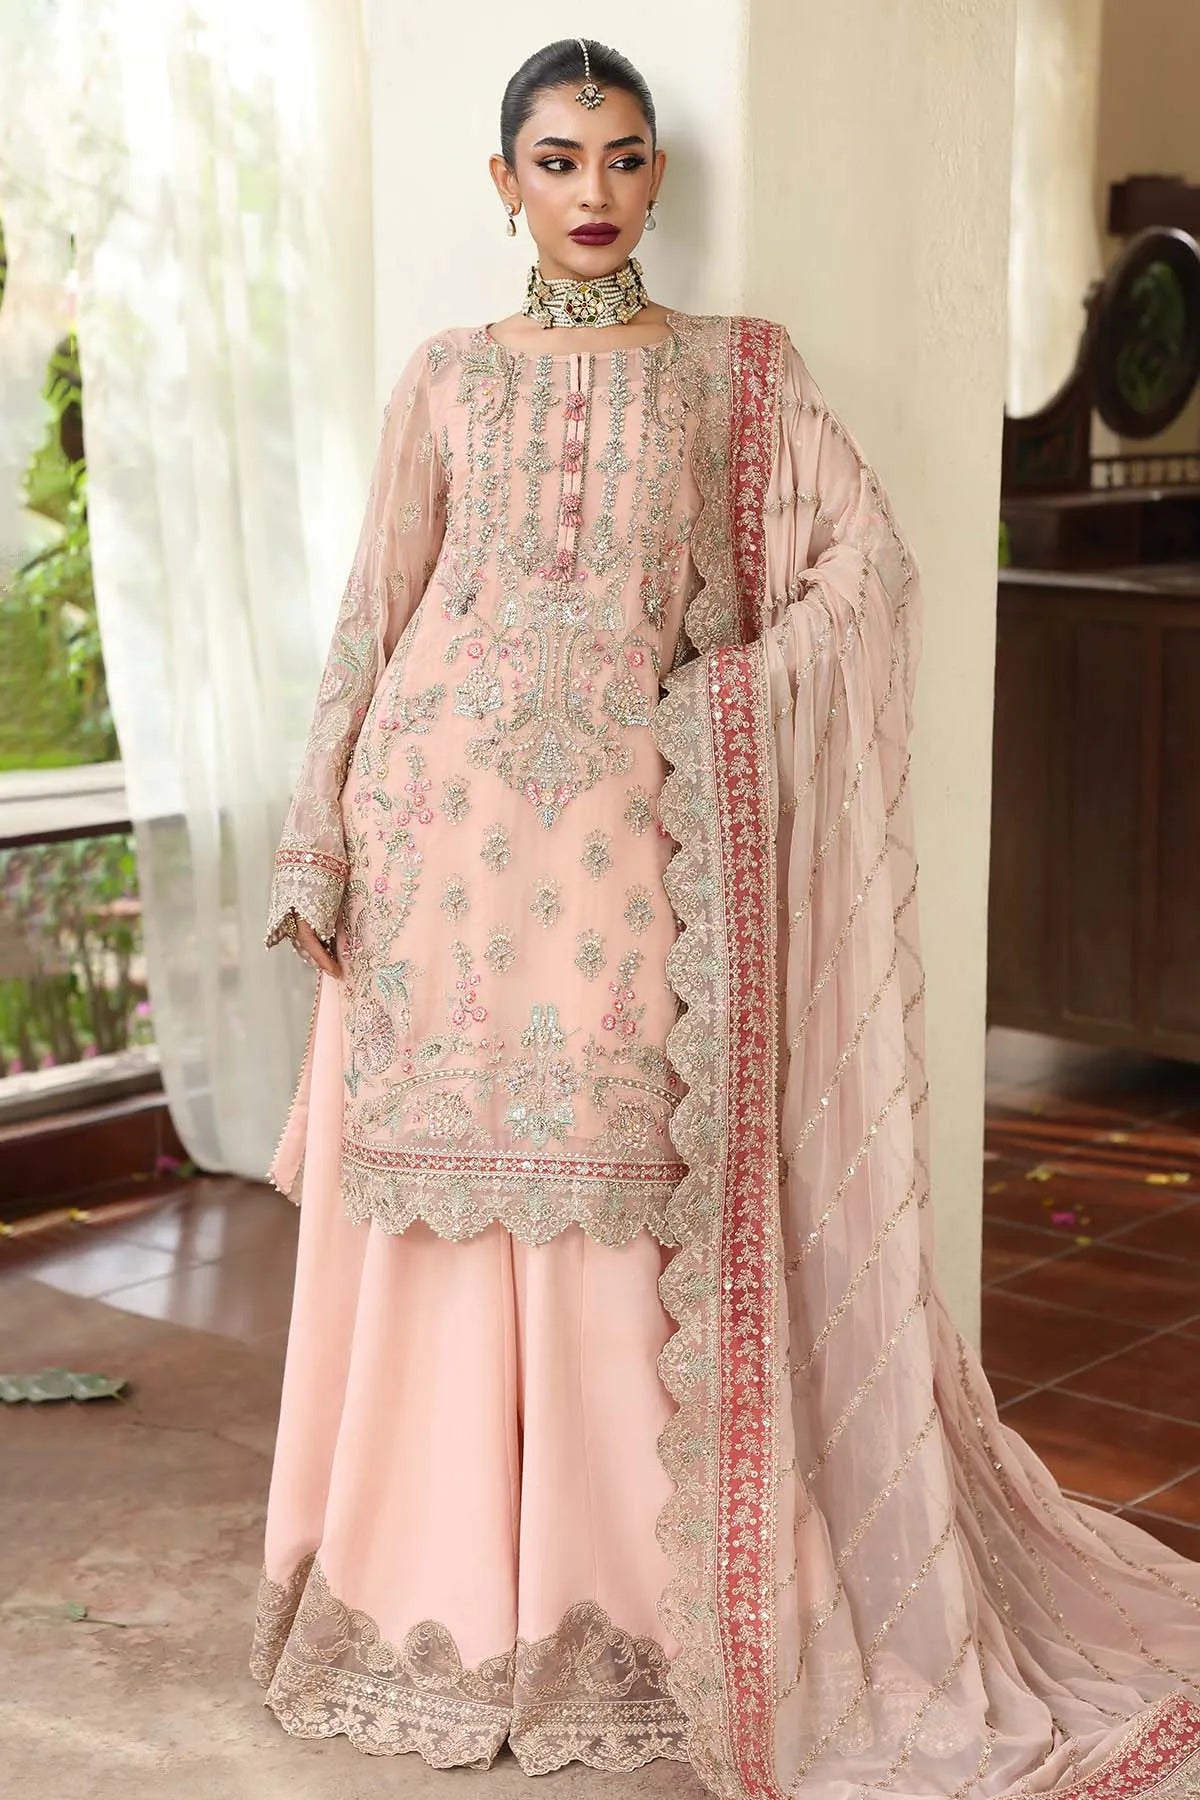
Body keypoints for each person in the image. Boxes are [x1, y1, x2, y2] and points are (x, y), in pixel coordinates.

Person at [250, 35, 1200, 1796]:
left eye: (621, 157)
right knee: (448, 1224)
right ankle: (427, 1605)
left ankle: (619, 1617)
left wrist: (724, 696)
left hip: (628, 860)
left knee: (621, 1212)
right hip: (434, 857)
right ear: (504, 182)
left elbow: (873, 566)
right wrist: (320, 836)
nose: (592, 192)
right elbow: (375, 613)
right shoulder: (447, 379)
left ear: (659, 175)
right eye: (555, 160)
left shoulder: (735, 376)